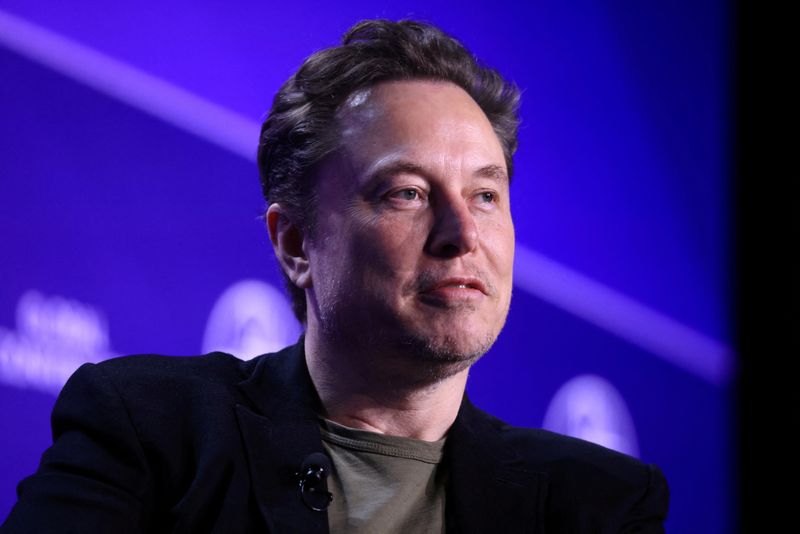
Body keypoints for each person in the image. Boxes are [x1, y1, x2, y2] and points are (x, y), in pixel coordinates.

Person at [2, 19, 669, 533]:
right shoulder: (151, 433)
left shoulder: (598, 503)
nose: (463, 235)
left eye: (485, 196)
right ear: (295, 243)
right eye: (406, 192)